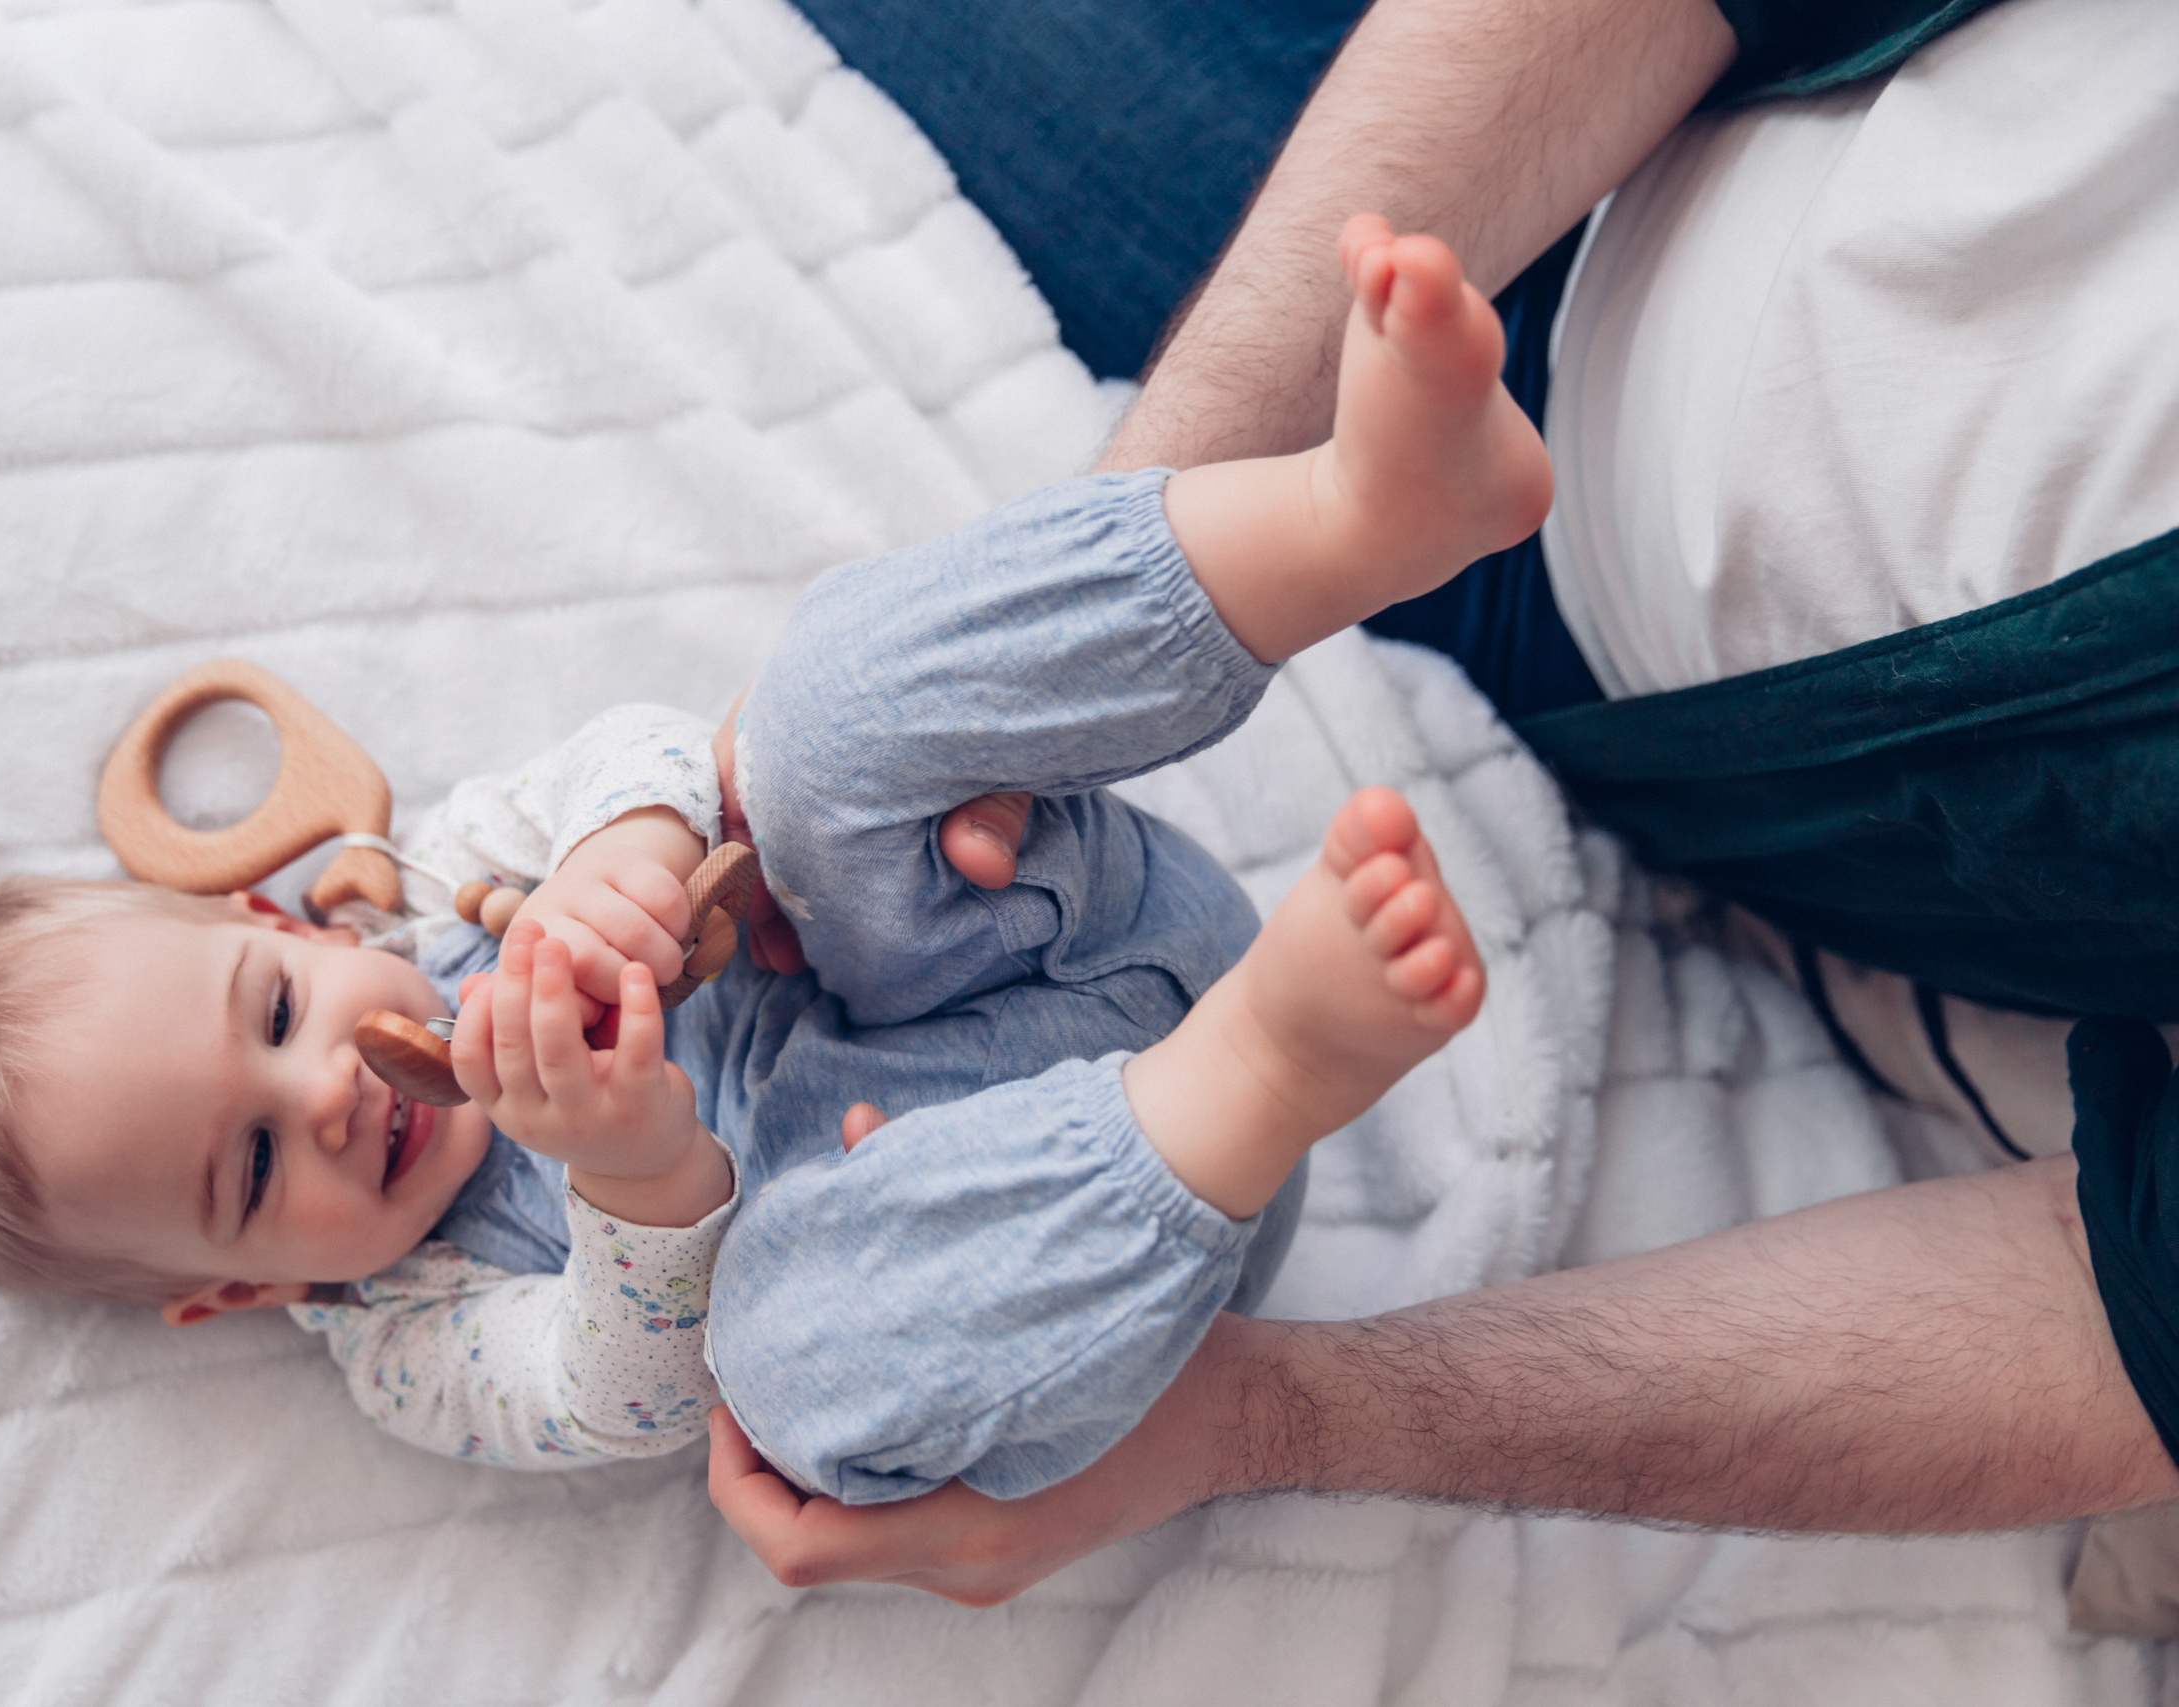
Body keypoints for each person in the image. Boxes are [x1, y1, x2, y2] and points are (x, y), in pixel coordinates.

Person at [709, 0, 2179, 1598]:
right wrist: (1070, 612)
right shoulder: (406, 1339)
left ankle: (1277, 991)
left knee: (809, 732)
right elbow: (577, 1374)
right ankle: (1341, 526)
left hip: (1053, 1078)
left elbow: (2133, 1326)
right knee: (858, 736)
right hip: (1549, 188)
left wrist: (1244, 1417)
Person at [0, 222, 1543, 1498]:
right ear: (234, 1290)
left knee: (806, 715)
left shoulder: (452, 876)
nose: (322, 1094)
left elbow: (645, 751)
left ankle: (1345, 518)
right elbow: (626, 1398)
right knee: (785, 1380)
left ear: (276, 913)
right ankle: (1275, 1060)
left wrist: (636, 850)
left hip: (1042, 941)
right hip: (1095, 1225)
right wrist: (634, 1170)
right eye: (245, 1168)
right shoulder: (411, 1338)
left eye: (277, 1009)